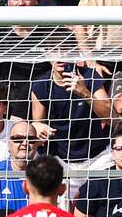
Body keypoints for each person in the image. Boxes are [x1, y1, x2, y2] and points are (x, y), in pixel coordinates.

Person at [31, 60, 113, 195]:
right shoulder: (40, 84)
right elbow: (38, 125)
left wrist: (84, 92)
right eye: (54, 50)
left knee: (104, 202)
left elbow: (111, 117)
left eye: (64, 50)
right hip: (60, 160)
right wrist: (36, 127)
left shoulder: (90, 76)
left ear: (74, 54)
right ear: (47, 55)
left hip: (97, 158)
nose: (60, 56)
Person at [0, 120, 39, 217]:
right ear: (8, 143)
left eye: (31, 139)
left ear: (37, 144)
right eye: (18, 139)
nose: (25, 143)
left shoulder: (47, 174)